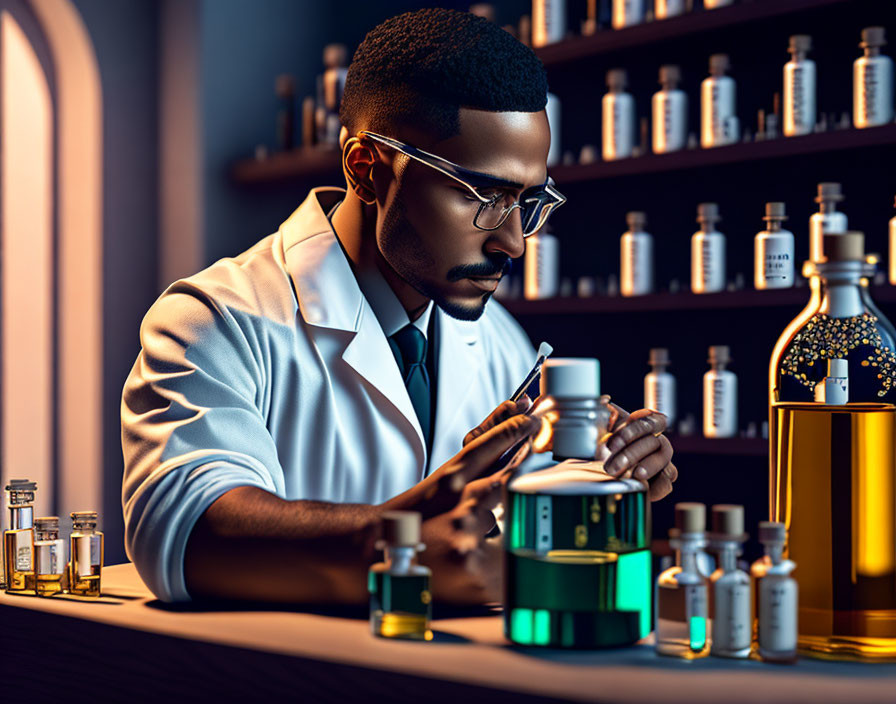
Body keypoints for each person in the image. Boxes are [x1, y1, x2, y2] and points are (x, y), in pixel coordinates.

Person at [121, 8, 676, 606]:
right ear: (366, 170)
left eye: (526, 201)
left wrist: (600, 477)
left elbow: (506, 535)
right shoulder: (214, 321)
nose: (513, 241)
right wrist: (393, 545)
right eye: (483, 195)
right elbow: (188, 533)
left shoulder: (500, 340)